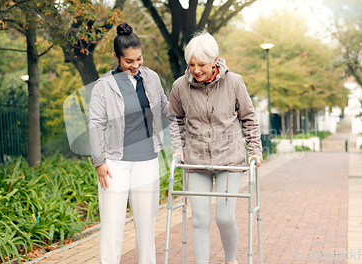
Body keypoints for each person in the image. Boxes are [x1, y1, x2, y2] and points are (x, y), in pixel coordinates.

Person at [168, 31, 263, 264]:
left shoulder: (234, 82)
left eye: (201, 64)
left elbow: (248, 118)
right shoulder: (180, 86)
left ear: (215, 60)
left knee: (224, 217)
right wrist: (178, 148)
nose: (196, 70)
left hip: (229, 159)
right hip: (195, 159)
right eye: (191, 64)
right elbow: (174, 119)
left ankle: (230, 260)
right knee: (200, 219)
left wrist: (255, 150)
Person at [89, 22, 169, 264]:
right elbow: (95, 124)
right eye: (128, 61)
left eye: (139, 59)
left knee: (146, 226)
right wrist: (100, 162)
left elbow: (166, 107)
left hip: (148, 161)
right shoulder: (104, 86)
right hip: (115, 164)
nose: (135, 65)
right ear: (116, 57)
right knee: (113, 226)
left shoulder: (151, 78)